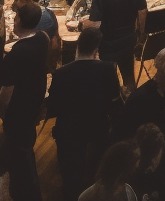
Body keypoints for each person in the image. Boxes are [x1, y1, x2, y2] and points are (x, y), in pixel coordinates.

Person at [48, 27, 122, 201]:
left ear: (78, 46)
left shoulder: (60, 74)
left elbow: (53, 108)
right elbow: (114, 101)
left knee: (70, 178)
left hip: (68, 131)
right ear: (97, 51)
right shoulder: (108, 68)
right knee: (98, 173)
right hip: (98, 127)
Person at [0, 0, 48, 201]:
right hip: (33, 104)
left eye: (16, 16)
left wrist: (2, 113)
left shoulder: (18, 52)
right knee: (25, 145)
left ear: (19, 21)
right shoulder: (41, 38)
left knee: (21, 157)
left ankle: (25, 193)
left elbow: (6, 94)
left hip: (19, 112)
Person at [82, 0, 148, 91]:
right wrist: (141, 32)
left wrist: (81, 25)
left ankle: (114, 103)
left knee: (109, 78)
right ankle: (131, 101)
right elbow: (143, 11)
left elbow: (95, 23)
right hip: (129, 39)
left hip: (108, 43)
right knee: (129, 76)